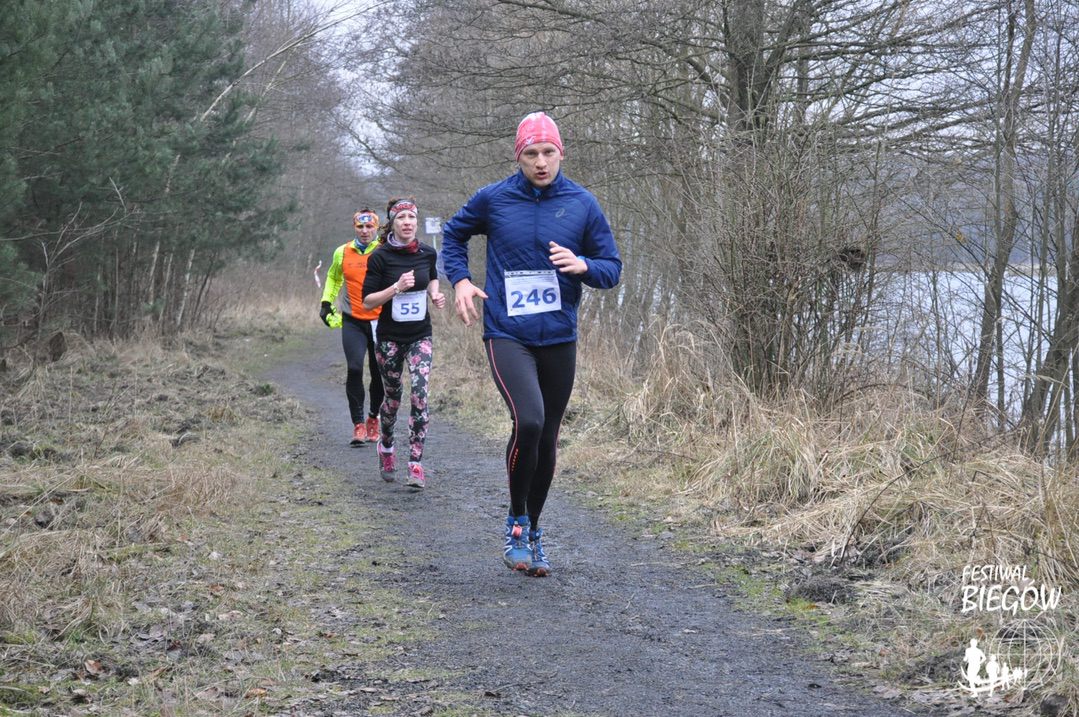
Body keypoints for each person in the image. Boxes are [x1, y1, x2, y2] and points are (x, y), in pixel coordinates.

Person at [440, 111, 622, 576]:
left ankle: (534, 531)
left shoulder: (582, 203)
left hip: (558, 336)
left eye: (548, 152)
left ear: (562, 154)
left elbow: (611, 268)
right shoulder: (494, 198)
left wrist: (584, 265)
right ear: (518, 157)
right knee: (530, 420)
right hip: (507, 332)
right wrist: (460, 280)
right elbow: (453, 235)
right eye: (531, 154)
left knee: (548, 436)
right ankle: (516, 523)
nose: (541, 162)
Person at [362, 197, 446, 489]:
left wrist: (435, 294)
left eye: (412, 217)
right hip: (389, 339)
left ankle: (415, 464)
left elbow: (432, 278)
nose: (407, 222)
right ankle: (386, 446)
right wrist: (395, 288)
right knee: (393, 398)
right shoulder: (380, 257)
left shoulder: (427, 253)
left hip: (420, 335)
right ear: (392, 223)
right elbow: (368, 300)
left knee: (420, 395)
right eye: (401, 218)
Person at [320, 209, 385, 447]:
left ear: (377, 228)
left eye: (369, 227)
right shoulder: (342, 251)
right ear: (354, 227)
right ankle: (358, 424)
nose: (365, 231)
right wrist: (326, 302)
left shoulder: (385, 250)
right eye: (360, 227)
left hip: (380, 320)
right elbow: (334, 277)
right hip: (353, 319)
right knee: (355, 367)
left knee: (379, 372)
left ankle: (373, 418)